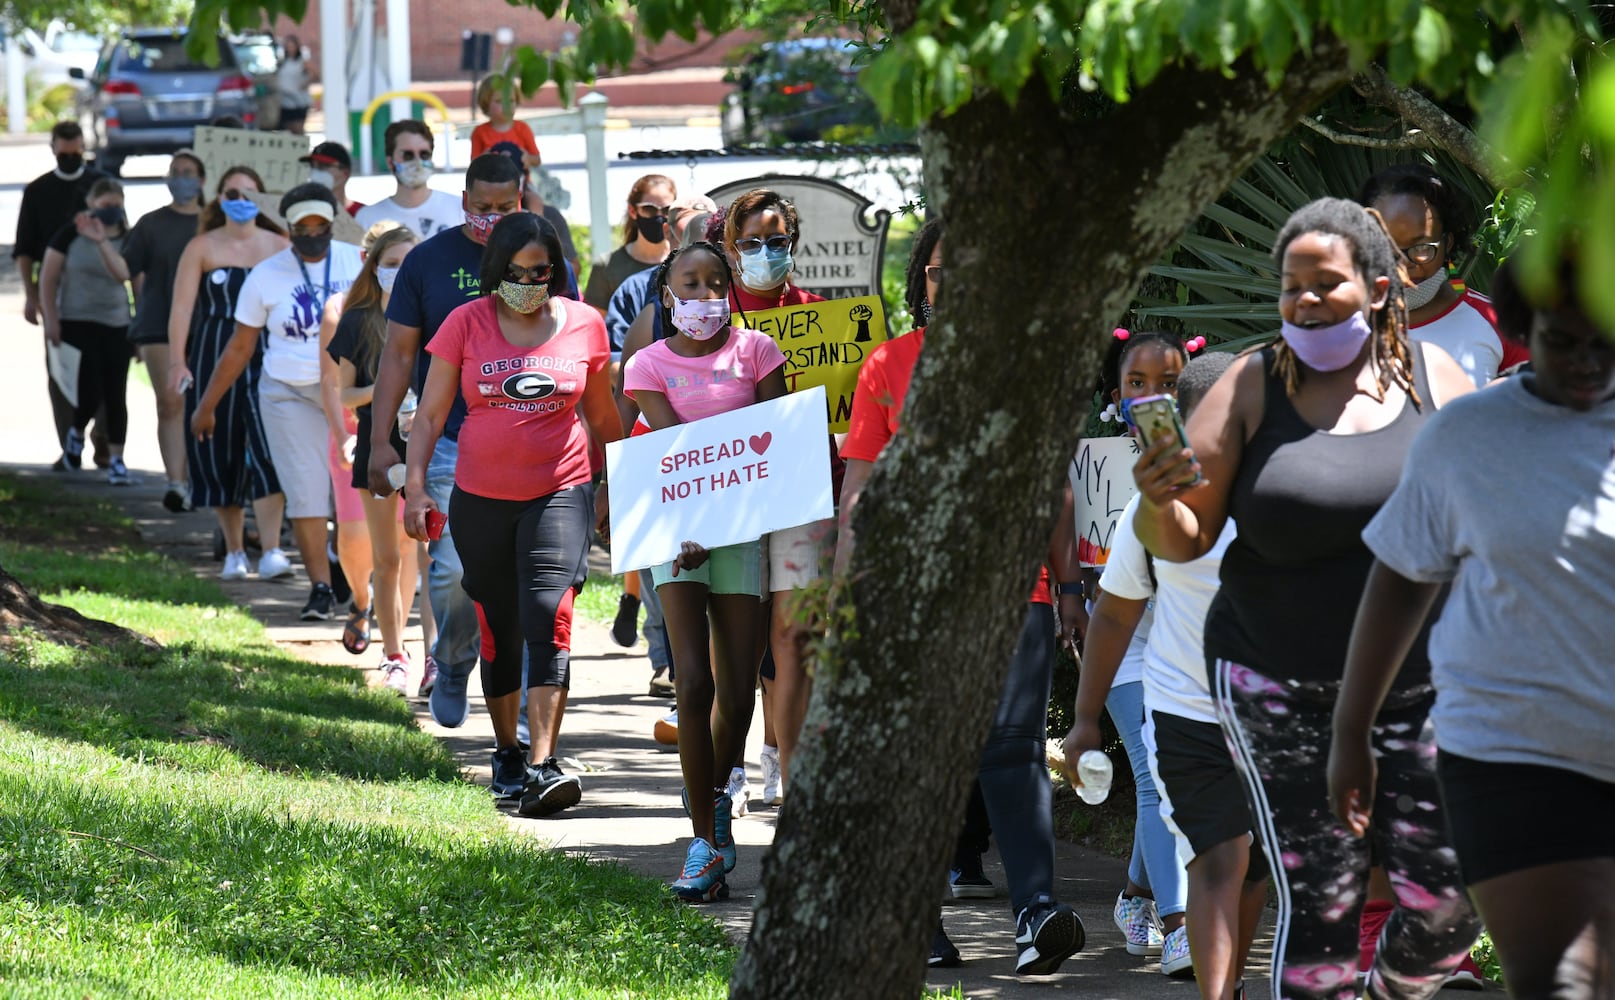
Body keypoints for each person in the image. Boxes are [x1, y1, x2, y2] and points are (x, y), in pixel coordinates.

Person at [1132, 197, 1479, 1000]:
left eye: (1324, 283)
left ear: (1381, 288)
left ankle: (1380, 993)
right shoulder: (1252, 385)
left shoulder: (1440, 384)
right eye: (1290, 286)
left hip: (1419, 686)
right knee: (1322, 895)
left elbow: (1482, 523)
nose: (1303, 301)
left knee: (1447, 903)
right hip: (1274, 682)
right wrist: (1157, 500)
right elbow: (1184, 536)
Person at [1330, 246, 1615, 1000]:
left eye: (1604, 341)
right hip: (1506, 750)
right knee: (1560, 980)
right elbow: (1397, 583)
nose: (1586, 361)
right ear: (1525, 328)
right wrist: (1349, 732)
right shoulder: (1465, 437)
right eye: (1563, 341)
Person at [835, 218, 1087, 976]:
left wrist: (1069, 583)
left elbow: (1053, 491)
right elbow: (860, 493)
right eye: (941, 271)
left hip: (1020, 589)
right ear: (923, 281)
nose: (952, 285)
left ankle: (1035, 916)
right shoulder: (887, 364)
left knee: (1010, 750)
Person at [1066, 349, 1273, 999]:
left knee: (1240, 868)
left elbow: (1110, 618)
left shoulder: (1282, 502)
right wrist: (1083, 720)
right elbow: (1112, 617)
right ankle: (1223, 990)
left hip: (1261, 715)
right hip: (1189, 712)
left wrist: (1084, 721)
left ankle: (1228, 985)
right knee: (1226, 862)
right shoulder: (1153, 512)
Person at [404, 212, 618, 818]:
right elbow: (429, 414)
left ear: (557, 273)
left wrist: (618, 486)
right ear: (496, 272)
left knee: (550, 611)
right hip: (479, 496)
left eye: (541, 272)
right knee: (498, 625)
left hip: (560, 489)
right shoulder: (464, 324)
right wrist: (416, 487)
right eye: (517, 272)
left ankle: (545, 764)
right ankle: (506, 752)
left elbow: (603, 420)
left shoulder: (584, 325)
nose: (529, 282)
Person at [622, 239, 785, 902]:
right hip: (674, 530)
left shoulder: (758, 352)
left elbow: (771, 439)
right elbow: (671, 448)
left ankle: (717, 800)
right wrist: (690, 527)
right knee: (692, 682)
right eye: (688, 285)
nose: (703, 297)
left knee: (737, 691)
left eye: (715, 283)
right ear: (666, 295)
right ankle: (702, 841)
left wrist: (719, 522)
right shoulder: (646, 365)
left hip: (740, 532)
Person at [367, 153, 527, 727]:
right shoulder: (428, 262)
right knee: (459, 569)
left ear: (522, 198)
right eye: (482, 208)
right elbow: (399, 355)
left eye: (505, 207)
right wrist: (382, 443)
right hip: (449, 436)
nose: (492, 218)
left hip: (532, 440)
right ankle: (454, 662)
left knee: (530, 579)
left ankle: (531, 718)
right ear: (462, 201)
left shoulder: (541, 256)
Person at [1063, 328, 1195, 974]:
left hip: (1181, 648)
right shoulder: (1095, 462)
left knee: (1163, 777)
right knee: (1155, 773)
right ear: (1115, 394)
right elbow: (1076, 544)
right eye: (1136, 385)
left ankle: (1137, 892)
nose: (1151, 397)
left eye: (1167, 384)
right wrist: (1075, 590)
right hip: (1122, 645)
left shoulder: (1217, 465)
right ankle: (1178, 926)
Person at [193, 184, 364, 620]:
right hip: (289, 394)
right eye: (302, 227)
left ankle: (353, 572)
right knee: (305, 492)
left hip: (349, 392)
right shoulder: (266, 274)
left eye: (319, 225)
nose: (311, 233)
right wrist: (206, 404)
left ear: (332, 223)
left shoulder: (357, 261)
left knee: (351, 491)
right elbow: (239, 348)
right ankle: (321, 586)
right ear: (288, 228)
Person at [722, 188, 832, 802]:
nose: (765, 252)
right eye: (752, 241)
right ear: (731, 247)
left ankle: (793, 774)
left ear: (793, 244)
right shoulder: (710, 311)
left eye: (777, 241)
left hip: (803, 492)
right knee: (736, 639)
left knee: (793, 637)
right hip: (730, 495)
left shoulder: (821, 316)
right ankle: (728, 769)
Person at [169, 168, 289, 581]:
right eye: (233, 191)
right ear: (219, 198)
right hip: (212, 349)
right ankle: (234, 550)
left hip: (267, 353)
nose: (241, 198)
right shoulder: (201, 247)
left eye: (250, 192)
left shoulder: (280, 246)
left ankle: (272, 549)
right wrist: (177, 361)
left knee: (269, 448)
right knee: (219, 446)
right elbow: (183, 308)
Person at [326, 223, 422, 694]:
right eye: (390, 263)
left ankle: (437, 659)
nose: (399, 272)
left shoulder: (435, 315)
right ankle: (395, 656)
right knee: (386, 557)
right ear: (374, 266)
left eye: (409, 262)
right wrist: (389, 388)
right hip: (377, 444)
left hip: (427, 443)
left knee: (427, 554)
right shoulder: (357, 320)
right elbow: (346, 394)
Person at [1357, 164, 1529, 389]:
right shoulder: (1338, 327)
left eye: (1421, 247)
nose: (1403, 265)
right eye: (1386, 247)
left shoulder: (1499, 325)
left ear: (1447, 243)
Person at [16, 121, 108, 470]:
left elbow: (120, 237)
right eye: (64, 151)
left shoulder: (99, 185)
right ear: (53, 148)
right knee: (62, 373)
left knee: (104, 371)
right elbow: (25, 249)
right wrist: (31, 295)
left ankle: (104, 436)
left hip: (100, 289)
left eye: (76, 151)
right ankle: (69, 444)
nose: (70, 157)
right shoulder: (38, 191)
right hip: (57, 292)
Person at [125, 151, 207, 510]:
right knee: (171, 402)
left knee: (205, 404)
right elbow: (127, 270)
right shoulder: (150, 223)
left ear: (202, 179)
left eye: (188, 172)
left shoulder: (213, 223)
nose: (181, 178)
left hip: (206, 325)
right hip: (158, 323)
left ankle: (202, 480)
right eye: (175, 172)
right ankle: (177, 483)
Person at [39, 178, 134, 482]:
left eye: (116, 206)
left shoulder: (127, 238)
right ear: (91, 205)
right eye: (105, 206)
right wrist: (51, 319)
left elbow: (131, 277)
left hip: (117, 322)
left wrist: (141, 329)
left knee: (116, 391)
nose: (111, 211)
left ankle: (117, 458)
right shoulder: (69, 234)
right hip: (77, 321)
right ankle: (76, 435)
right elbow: (48, 278)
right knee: (88, 389)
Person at [582, 173, 676, 314]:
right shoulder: (607, 266)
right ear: (633, 211)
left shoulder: (684, 262)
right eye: (649, 209)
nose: (659, 216)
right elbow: (596, 325)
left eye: (666, 210)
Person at [355, 121, 464, 239]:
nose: (417, 162)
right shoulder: (367, 218)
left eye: (424, 154)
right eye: (408, 155)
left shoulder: (460, 208)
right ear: (390, 162)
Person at [471, 77, 541, 164]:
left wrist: (528, 159)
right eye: (499, 101)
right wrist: (483, 159)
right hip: (491, 177)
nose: (506, 106)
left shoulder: (523, 128)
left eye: (511, 101)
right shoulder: (480, 132)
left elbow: (537, 159)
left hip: (520, 177)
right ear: (486, 104)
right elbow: (473, 164)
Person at [301, 142, 364, 216]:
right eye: (312, 166)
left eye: (323, 166)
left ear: (345, 173)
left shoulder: (362, 214)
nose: (315, 172)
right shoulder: (302, 214)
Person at [275, 37, 313, 135]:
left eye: (292, 46)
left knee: (298, 128)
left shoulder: (302, 61)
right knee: (288, 127)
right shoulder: (283, 62)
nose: (290, 48)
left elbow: (315, 74)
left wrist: (304, 84)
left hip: (298, 101)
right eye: (288, 46)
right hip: (285, 101)